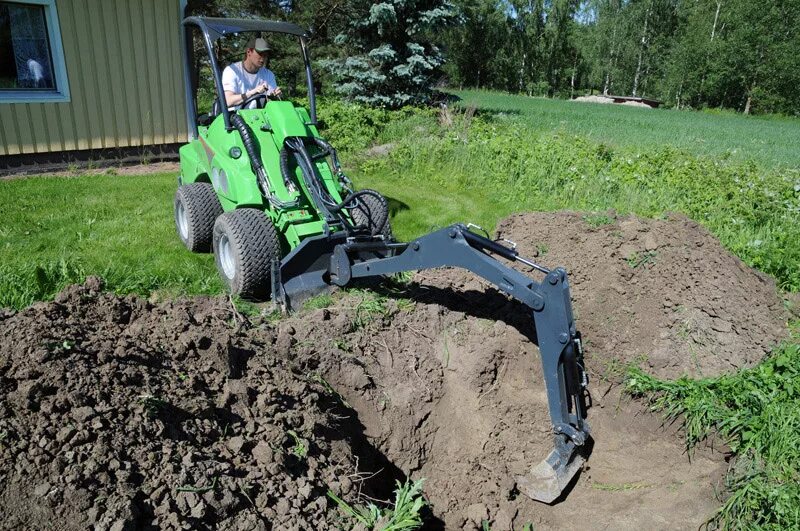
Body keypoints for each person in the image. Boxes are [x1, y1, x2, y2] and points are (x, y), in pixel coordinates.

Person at [222, 37, 282, 110]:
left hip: (261, 117)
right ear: (249, 52)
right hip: (236, 117)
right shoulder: (232, 71)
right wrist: (253, 92)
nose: (263, 58)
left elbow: (271, 102)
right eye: (260, 53)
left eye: (266, 55)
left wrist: (276, 95)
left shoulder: (268, 74)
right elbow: (228, 101)